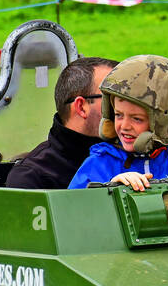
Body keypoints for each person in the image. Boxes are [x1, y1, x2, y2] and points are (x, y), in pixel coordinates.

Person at [69, 55, 168, 190]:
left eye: (137, 119)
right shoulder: (97, 166)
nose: (124, 126)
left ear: (162, 124)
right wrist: (110, 188)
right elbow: (71, 209)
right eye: (118, 115)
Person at [6, 56, 117, 189]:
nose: (124, 106)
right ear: (81, 107)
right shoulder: (32, 178)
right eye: (112, 98)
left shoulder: (135, 154)